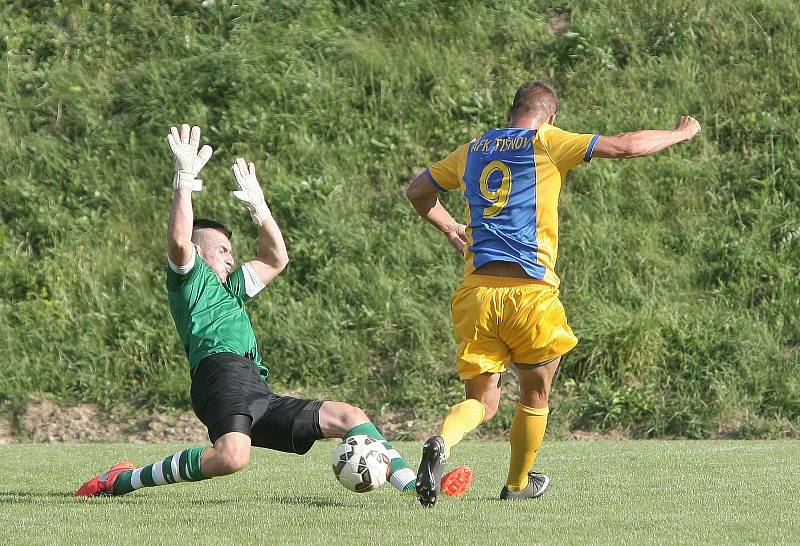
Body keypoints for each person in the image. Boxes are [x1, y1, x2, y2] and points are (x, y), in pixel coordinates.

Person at [75, 124, 426, 497]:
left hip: (254, 385)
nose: (231, 258)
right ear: (202, 250)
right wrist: (185, 179)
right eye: (223, 250)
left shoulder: (232, 290)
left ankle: (414, 486)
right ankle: (120, 480)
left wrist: (260, 209)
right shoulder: (190, 281)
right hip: (220, 373)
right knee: (231, 458)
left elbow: (276, 259)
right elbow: (179, 240)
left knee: (350, 416)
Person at [406, 80, 701, 507]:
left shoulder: (474, 149)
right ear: (552, 116)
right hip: (530, 294)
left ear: (510, 112)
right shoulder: (547, 140)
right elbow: (625, 147)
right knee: (534, 394)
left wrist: (452, 226)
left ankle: (443, 441)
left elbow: (418, 191)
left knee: (482, 402)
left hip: (477, 292)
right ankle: (518, 484)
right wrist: (680, 133)